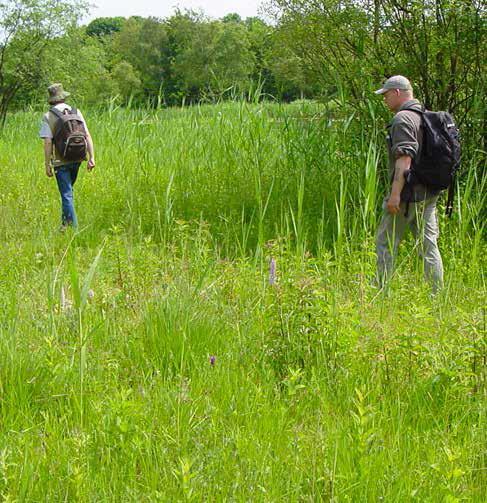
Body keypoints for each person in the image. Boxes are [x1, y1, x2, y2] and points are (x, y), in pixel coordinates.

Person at [374, 75, 443, 292]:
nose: (384, 100)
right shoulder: (424, 115)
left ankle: (381, 293)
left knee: (385, 243)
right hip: (428, 194)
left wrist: (395, 195)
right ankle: (437, 295)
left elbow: (404, 159)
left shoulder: (403, 119)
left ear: (396, 93)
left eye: (386, 95)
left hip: (407, 195)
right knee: (429, 246)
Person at [39, 83, 95, 230]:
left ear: (51, 99)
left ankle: (73, 230)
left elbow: (47, 142)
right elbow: (87, 135)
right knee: (68, 193)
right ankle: (65, 225)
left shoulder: (48, 116)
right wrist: (91, 157)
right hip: (78, 157)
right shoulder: (76, 112)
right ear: (63, 96)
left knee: (66, 194)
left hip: (60, 161)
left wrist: (47, 164)